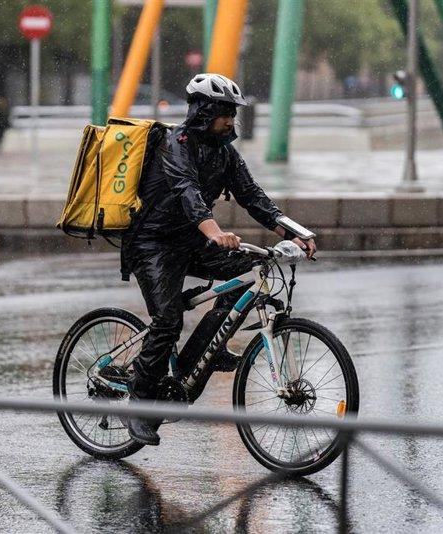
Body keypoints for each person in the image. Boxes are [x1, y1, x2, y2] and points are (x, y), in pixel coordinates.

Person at [121, 73, 317, 445]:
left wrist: (295, 232)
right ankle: (140, 406)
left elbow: (253, 196)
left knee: (253, 273)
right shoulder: (174, 144)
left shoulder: (224, 152)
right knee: (166, 322)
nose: (231, 120)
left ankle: (208, 346)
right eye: (225, 112)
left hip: (191, 240)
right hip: (153, 243)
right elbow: (187, 191)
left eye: (233, 113)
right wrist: (213, 232)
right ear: (204, 111)